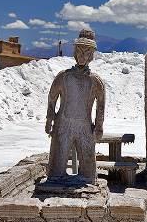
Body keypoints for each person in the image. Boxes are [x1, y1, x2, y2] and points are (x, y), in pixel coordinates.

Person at [44, 29, 105, 184]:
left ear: (92, 55)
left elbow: (101, 106)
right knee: (56, 170)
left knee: (89, 173)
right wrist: (49, 119)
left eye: (86, 52)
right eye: (79, 51)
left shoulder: (95, 81)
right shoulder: (63, 76)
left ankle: (85, 180)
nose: (82, 56)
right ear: (74, 52)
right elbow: (52, 98)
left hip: (84, 126)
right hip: (63, 124)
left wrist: (99, 126)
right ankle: (57, 178)